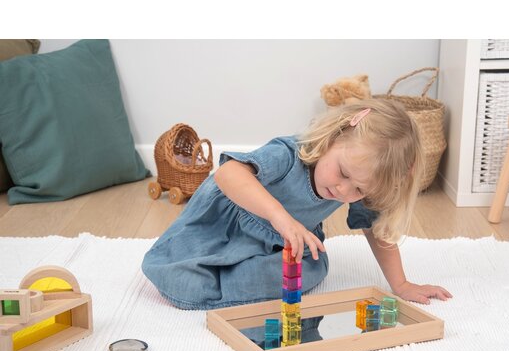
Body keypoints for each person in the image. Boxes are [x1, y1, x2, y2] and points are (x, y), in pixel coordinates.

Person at [142, 98, 452, 310]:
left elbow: (376, 227)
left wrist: (401, 284)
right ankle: (212, 272)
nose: (343, 191)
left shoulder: (358, 183)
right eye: (343, 173)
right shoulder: (289, 153)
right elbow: (227, 174)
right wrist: (280, 217)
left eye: (359, 190)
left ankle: (235, 275)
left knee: (312, 269)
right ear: (334, 137)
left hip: (279, 242)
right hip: (223, 227)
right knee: (178, 275)